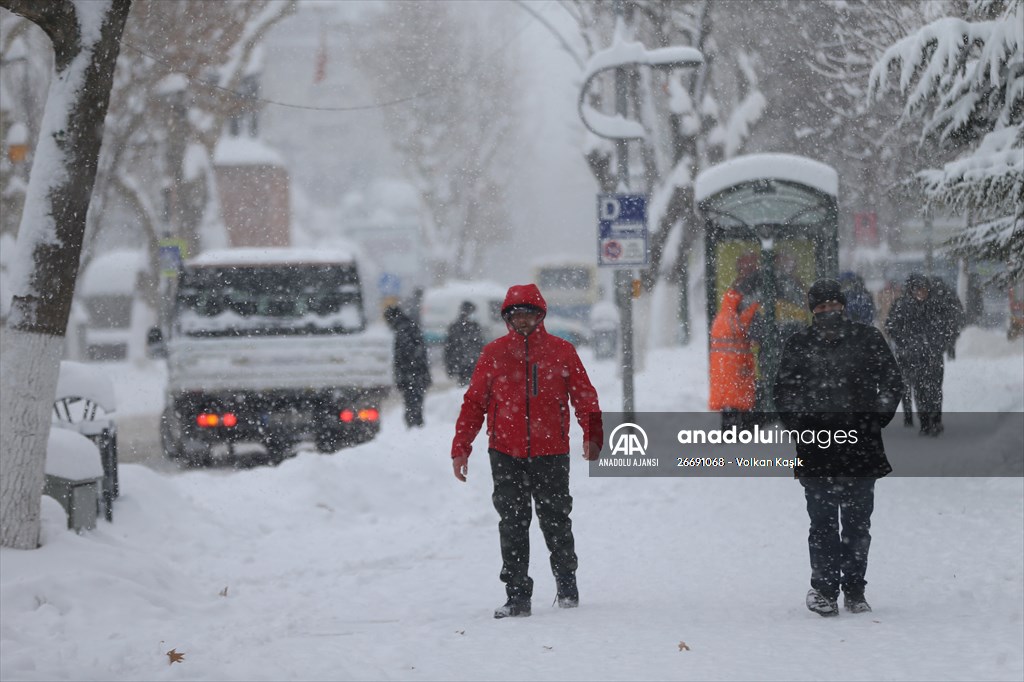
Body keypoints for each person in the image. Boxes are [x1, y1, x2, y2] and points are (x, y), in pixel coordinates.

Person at [450, 284, 603, 619]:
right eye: (516, 315)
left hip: (551, 452)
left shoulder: (561, 352)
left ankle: (566, 585)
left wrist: (592, 435)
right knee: (513, 524)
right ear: (507, 317)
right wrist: (461, 447)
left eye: (528, 314)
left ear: (540, 315)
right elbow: (474, 403)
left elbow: (584, 397)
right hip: (505, 452)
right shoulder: (494, 353)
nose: (522, 321)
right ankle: (517, 595)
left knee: (556, 520)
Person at [773, 278, 904, 617]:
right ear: (812, 310)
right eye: (821, 306)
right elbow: (784, 392)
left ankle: (855, 591)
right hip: (816, 448)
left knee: (858, 523)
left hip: (860, 447)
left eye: (833, 305)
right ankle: (825, 590)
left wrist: (875, 419)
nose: (828, 311)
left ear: (843, 306)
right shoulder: (799, 344)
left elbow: (891, 381)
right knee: (823, 523)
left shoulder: (867, 339)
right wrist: (801, 425)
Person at [884, 273, 965, 436]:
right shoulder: (902, 307)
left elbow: (948, 325)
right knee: (920, 390)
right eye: (918, 289)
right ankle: (925, 422)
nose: (922, 293)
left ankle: (936, 420)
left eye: (924, 289)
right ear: (911, 290)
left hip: (933, 356)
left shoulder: (936, 305)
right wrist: (907, 343)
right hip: (913, 358)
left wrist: (940, 344)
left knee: (935, 390)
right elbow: (891, 327)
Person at [708, 274, 762, 429]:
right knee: (736, 404)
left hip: (722, 369)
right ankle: (734, 435)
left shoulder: (722, 316)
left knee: (728, 405)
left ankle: (728, 434)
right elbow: (751, 335)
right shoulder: (738, 317)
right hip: (736, 368)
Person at [383, 305, 431, 428]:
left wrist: (401, 377)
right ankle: (416, 426)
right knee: (416, 403)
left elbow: (402, 357)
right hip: (417, 375)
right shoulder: (410, 327)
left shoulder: (402, 331)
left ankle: (414, 427)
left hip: (411, 376)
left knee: (412, 404)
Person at [443, 301, 485, 387]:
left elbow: (448, 347)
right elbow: (480, 345)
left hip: (461, 362)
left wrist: (449, 366)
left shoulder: (455, 325)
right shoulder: (473, 326)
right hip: (469, 362)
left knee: (464, 387)